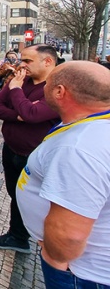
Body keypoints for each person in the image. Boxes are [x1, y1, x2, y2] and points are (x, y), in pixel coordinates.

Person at [16, 61, 110, 287]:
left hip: (81, 273)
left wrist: (54, 259)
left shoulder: (79, 148)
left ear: (60, 92)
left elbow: (70, 234)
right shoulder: (90, 128)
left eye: (49, 83)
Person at [0, 44, 60, 253]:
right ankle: (17, 236)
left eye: (27, 61)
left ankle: (36, 239)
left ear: (48, 62)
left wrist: (17, 93)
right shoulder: (21, 80)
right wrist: (18, 113)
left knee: (32, 198)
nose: (22, 64)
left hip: (35, 155)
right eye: (22, 60)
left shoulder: (56, 87)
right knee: (15, 194)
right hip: (11, 148)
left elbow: (33, 114)